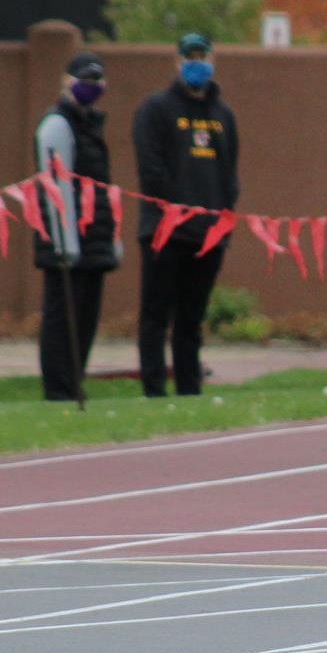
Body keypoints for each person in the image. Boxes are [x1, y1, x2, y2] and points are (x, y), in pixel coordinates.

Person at [131, 31, 237, 397]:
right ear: (177, 62)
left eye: (202, 56)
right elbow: (151, 171)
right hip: (165, 232)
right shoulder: (155, 110)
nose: (196, 63)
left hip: (208, 235)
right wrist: (176, 211)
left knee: (191, 320)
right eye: (189, 57)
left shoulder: (223, 115)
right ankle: (154, 391)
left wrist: (221, 222)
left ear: (212, 60)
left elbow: (230, 174)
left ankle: (190, 390)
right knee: (156, 316)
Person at [33, 49, 120, 401]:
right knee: (62, 318)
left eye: (96, 79)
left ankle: (74, 382)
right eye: (84, 79)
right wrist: (64, 241)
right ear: (67, 82)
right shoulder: (57, 125)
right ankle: (59, 390)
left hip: (94, 238)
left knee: (85, 318)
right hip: (67, 243)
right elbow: (57, 189)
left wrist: (110, 237)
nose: (91, 85)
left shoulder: (91, 125)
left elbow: (101, 189)